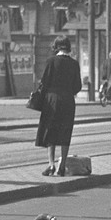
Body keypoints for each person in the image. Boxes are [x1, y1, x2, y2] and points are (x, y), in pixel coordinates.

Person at [35, 36, 83, 176]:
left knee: (50, 132)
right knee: (65, 132)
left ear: (56, 47)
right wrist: (68, 92)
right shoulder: (74, 64)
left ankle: (51, 165)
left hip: (52, 100)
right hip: (68, 100)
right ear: (68, 47)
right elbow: (78, 86)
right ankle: (62, 167)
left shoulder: (51, 61)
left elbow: (44, 82)